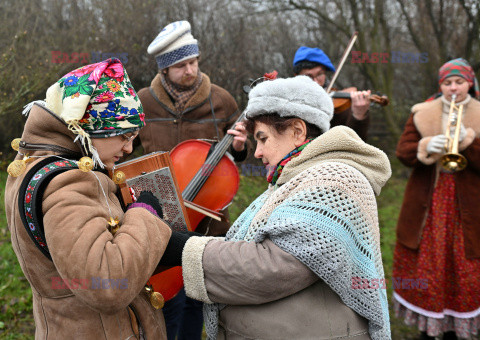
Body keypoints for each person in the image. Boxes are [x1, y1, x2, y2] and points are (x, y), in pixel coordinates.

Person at [158, 75, 392, 339]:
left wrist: (182, 247)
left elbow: (273, 268)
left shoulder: (332, 182)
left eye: (262, 138)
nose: (256, 152)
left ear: (297, 131)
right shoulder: (298, 176)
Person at [4, 58, 173, 339]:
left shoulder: (31, 163)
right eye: (124, 135)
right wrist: (144, 214)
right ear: (91, 126)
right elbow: (106, 282)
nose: (129, 148)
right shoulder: (68, 183)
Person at [137, 20, 248, 340]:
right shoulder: (144, 100)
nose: (190, 70)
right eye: (181, 65)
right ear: (164, 70)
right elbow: (129, 152)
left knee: (196, 301)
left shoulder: (222, 99)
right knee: (165, 299)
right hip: (161, 218)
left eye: (193, 62)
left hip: (209, 218)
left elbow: (242, 151)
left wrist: (240, 146)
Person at [393, 58, 480, 340]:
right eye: (447, 82)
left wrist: (469, 144)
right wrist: (424, 146)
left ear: (470, 83)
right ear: (440, 85)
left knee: (462, 266)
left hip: (468, 206)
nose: (453, 88)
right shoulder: (422, 113)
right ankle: (428, 330)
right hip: (428, 204)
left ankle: (457, 327)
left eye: (459, 81)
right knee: (429, 265)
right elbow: (403, 154)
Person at [293, 46, 371, 141]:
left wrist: (358, 116)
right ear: (297, 76)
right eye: (308, 76)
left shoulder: (339, 106)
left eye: (319, 74)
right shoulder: (291, 105)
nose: (316, 82)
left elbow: (357, 142)